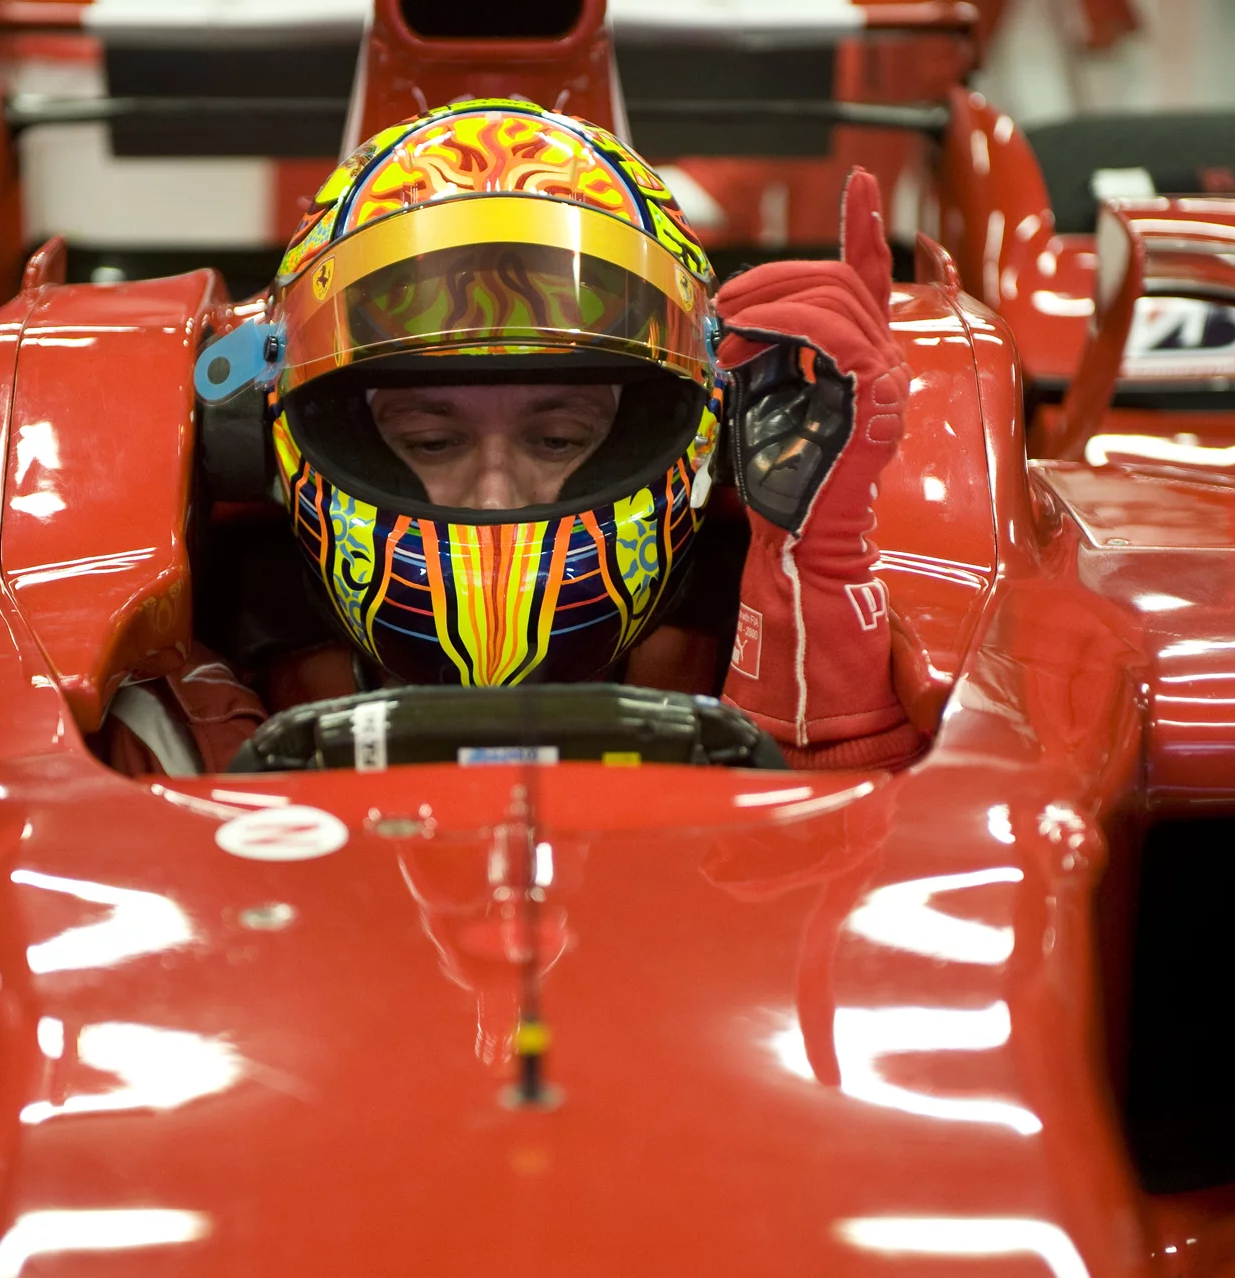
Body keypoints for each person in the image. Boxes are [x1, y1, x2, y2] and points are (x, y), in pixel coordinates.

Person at [106, 99, 922, 775]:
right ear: (255, 437)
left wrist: (817, 575)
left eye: (559, 438)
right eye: (431, 442)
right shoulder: (164, 732)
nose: (496, 493)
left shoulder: (768, 634)